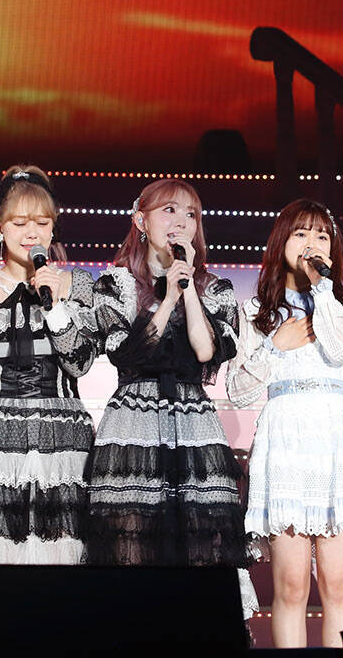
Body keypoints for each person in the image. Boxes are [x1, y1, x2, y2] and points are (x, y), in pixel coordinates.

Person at [85, 178, 256, 615]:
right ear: (141, 221)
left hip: (192, 422)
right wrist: (166, 299)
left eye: (190, 214)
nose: (181, 222)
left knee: (199, 550)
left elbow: (206, 351)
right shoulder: (115, 284)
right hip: (133, 424)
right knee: (131, 547)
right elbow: (127, 351)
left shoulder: (215, 288)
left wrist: (189, 287)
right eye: (169, 211)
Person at [226, 198, 343, 647]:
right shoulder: (256, 310)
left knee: (338, 588)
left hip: (336, 441)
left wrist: (322, 289)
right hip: (285, 444)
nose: (312, 243)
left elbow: (339, 349)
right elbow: (238, 390)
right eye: (301, 233)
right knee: (291, 587)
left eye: (322, 235)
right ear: (282, 241)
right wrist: (274, 345)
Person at [0, 166, 98, 627]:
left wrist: (56, 304)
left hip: (62, 443)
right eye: (20, 222)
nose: (32, 232)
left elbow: (81, 362)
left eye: (42, 223)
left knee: (59, 566)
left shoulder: (76, 287)